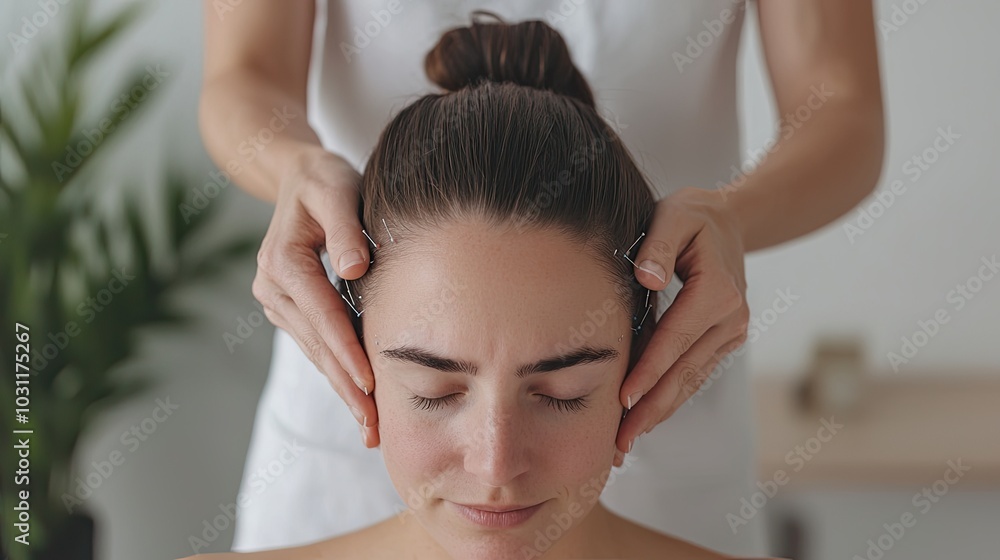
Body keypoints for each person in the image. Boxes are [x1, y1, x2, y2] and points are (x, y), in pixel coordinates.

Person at [197, 0, 884, 556]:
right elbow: (244, 70)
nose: (495, 470)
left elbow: (842, 105)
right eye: (440, 387)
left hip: (660, 387)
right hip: (362, 416)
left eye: (560, 389)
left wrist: (730, 219)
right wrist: (292, 165)